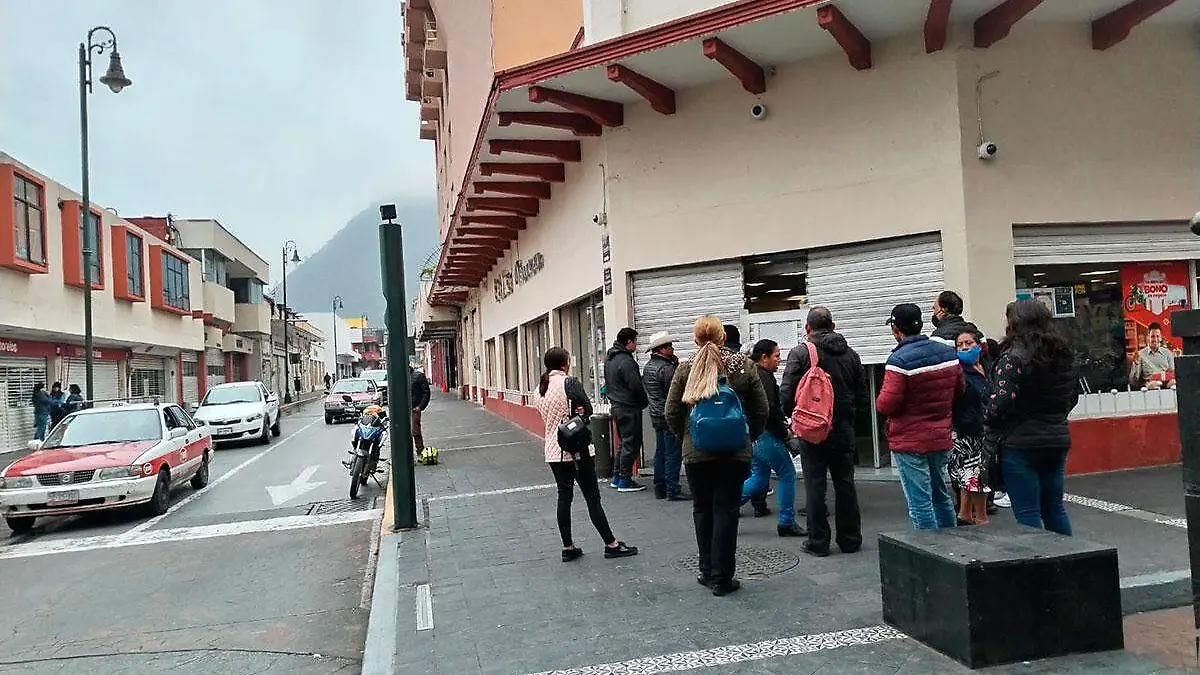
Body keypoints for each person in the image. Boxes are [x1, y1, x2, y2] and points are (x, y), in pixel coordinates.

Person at [665, 315, 768, 597]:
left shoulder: (685, 368)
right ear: (723, 337)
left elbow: (671, 411)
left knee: (702, 509)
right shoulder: (743, 365)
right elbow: (761, 409)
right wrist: (750, 436)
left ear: (695, 339)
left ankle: (706, 570)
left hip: (697, 453)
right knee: (727, 510)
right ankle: (723, 576)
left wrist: (686, 437)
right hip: (735, 452)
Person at [535, 347, 639, 562]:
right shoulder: (569, 383)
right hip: (578, 449)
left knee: (564, 498)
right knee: (592, 498)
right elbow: (588, 408)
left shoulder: (539, 388)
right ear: (564, 363)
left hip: (554, 451)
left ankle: (568, 547)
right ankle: (611, 543)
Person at [986, 300, 1079, 536]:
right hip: (1056, 437)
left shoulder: (1012, 358)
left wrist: (988, 418)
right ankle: (1068, 562)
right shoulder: (1064, 354)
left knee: (1027, 513)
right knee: (1054, 508)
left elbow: (1000, 403)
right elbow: (1073, 396)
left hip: (1019, 443)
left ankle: (1037, 567)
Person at [780, 307, 868, 556]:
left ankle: (818, 542)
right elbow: (862, 396)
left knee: (815, 485)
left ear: (808, 328)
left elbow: (786, 393)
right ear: (834, 325)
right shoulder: (851, 355)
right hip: (843, 429)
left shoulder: (801, 353)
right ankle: (850, 539)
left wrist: (794, 417)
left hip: (812, 429)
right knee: (845, 484)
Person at [876, 303, 964, 530]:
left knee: (920, 502)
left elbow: (886, 404)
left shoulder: (899, 361)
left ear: (896, 329)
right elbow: (960, 388)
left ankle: (930, 555)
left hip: (910, 440)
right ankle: (952, 547)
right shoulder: (948, 353)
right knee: (940, 494)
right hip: (940, 436)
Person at [740, 339, 806, 537]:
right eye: (776, 356)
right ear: (764, 357)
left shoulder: (751, 374)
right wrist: (784, 431)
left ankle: (725, 508)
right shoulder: (765, 378)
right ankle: (786, 522)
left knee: (759, 476)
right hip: (767, 434)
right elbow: (769, 409)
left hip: (755, 435)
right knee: (787, 473)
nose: (779, 360)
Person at [948, 325, 992, 525]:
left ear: (979, 345)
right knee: (975, 475)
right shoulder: (958, 372)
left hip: (984, 429)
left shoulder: (985, 368)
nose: (965, 348)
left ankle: (965, 514)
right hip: (966, 431)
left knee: (973, 475)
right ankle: (981, 517)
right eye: (960, 345)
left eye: (969, 343)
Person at [726, 324, 769, 516]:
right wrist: (757, 429)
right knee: (754, 467)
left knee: (733, 469)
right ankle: (759, 504)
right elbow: (760, 403)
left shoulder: (716, 359)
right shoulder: (744, 361)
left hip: (726, 421)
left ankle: (731, 503)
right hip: (745, 421)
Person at [603, 327, 649, 492]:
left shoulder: (610, 359)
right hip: (628, 407)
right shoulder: (626, 361)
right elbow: (636, 386)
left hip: (616, 406)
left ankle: (617, 476)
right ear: (629, 342)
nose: (636, 344)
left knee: (623, 443)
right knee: (631, 443)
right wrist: (644, 402)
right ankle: (625, 479)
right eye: (635, 341)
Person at [642, 331, 686, 501]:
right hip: (669, 414)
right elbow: (675, 391)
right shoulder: (666, 369)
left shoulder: (649, 366)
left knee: (660, 452)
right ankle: (672, 488)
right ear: (662, 349)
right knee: (673, 453)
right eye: (670, 346)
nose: (673, 349)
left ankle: (660, 487)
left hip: (656, 414)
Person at [1129, 322, 1176, 390]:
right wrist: (1135, 364)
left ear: (1160, 337)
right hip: (1150, 385)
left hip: (1167, 384)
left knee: (1174, 383)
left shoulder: (1168, 353)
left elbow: (1172, 373)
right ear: (1148, 337)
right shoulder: (1140, 354)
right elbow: (1133, 381)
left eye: (1158, 336)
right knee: (1155, 385)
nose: (1155, 339)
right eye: (1152, 336)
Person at [409, 365, 432, 460]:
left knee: (415, 431)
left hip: (414, 408)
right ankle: (410, 455)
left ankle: (420, 452)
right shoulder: (400, 377)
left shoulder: (418, 376)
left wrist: (420, 407)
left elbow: (426, 392)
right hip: (404, 409)